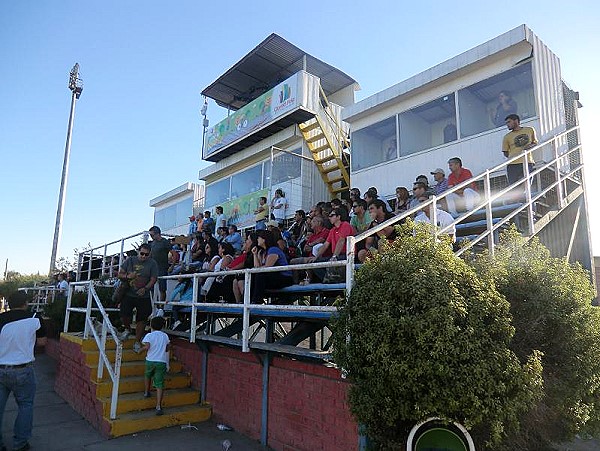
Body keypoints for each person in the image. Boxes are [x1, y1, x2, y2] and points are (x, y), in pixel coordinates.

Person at [0, 291, 46, 451]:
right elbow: (42, 342)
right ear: (25, 303)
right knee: (25, 406)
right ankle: (20, 444)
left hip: (1, 368)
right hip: (23, 369)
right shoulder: (34, 317)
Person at [118, 243, 158, 353]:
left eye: (146, 254)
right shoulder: (130, 260)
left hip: (143, 295)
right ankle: (127, 329)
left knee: (142, 318)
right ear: (138, 252)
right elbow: (119, 274)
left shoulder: (152, 263)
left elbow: (153, 279)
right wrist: (127, 276)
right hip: (129, 293)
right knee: (124, 314)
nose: (144, 256)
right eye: (142, 253)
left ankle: (137, 340)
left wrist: (145, 289)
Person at [250, 230, 293, 303]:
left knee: (260, 275)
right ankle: (248, 300)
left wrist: (257, 269)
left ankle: (256, 300)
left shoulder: (273, 250)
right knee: (252, 275)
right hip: (274, 277)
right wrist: (255, 254)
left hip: (284, 278)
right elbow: (257, 267)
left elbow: (267, 267)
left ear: (264, 239)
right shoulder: (263, 252)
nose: (257, 239)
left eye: (259, 238)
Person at [140, 316, 170, 416]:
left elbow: (147, 346)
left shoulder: (149, 335)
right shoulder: (165, 336)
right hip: (161, 362)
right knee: (159, 383)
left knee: (147, 375)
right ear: (163, 326)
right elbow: (167, 348)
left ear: (151, 325)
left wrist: (140, 350)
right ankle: (158, 406)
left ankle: (146, 392)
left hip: (150, 361)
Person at [502, 114, 538, 185]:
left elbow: (535, 142)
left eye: (509, 122)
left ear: (516, 121)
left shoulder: (529, 130)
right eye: (506, 123)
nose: (507, 125)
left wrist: (529, 146)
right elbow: (505, 152)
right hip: (512, 164)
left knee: (527, 183)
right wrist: (514, 156)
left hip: (528, 161)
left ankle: (525, 196)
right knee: (514, 186)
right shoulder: (507, 137)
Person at [148, 226, 171, 304]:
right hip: (153, 269)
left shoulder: (164, 242)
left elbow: (173, 253)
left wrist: (172, 266)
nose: (151, 237)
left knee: (162, 289)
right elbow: (150, 254)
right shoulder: (153, 243)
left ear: (157, 234)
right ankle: (156, 305)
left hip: (162, 268)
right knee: (151, 287)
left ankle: (161, 307)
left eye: (152, 235)